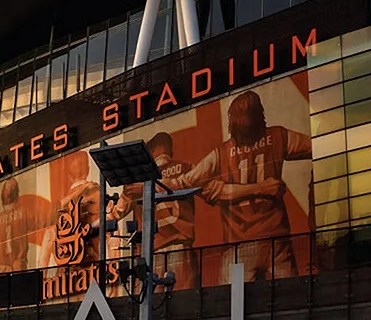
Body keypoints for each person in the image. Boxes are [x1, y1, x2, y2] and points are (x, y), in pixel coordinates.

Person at [175, 90, 311, 282]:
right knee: (289, 301)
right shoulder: (279, 136)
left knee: (231, 305)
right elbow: (318, 144)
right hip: (275, 239)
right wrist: (261, 187)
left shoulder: (220, 153)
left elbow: (185, 182)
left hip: (240, 245)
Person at [110, 131, 198, 288]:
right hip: (181, 248)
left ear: (151, 151)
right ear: (169, 149)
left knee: (148, 304)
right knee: (184, 302)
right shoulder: (186, 168)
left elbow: (116, 213)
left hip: (151, 252)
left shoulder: (136, 183)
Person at [0, 178, 55, 274]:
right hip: (19, 273)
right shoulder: (24, 214)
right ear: (17, 195)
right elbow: (47, 218)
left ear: (1, 197)